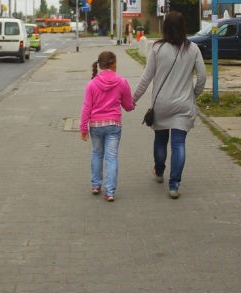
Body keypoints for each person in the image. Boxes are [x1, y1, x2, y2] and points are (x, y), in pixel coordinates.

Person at [132, 11, 206, 199]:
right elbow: (202, 77)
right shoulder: (193, 49)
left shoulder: (157, 48)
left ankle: (159, 171)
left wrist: (132, 100)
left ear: (165, 27)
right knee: (179, 144)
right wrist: (193, 95)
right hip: (183, 105)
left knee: (160, 140)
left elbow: (146, 78)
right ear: (183, 27)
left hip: (162, 105)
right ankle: (174, 185)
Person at [80, 50, 135, 202]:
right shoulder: (122, 82)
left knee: (97, 153)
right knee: (111, 157)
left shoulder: (91, 84)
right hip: (113, 125)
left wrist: (83, 128)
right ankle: (110, 192)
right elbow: (128, 105)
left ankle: (96, 185)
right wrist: (131, 106)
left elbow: (86, 108)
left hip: (96, 125)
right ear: (112, 64)